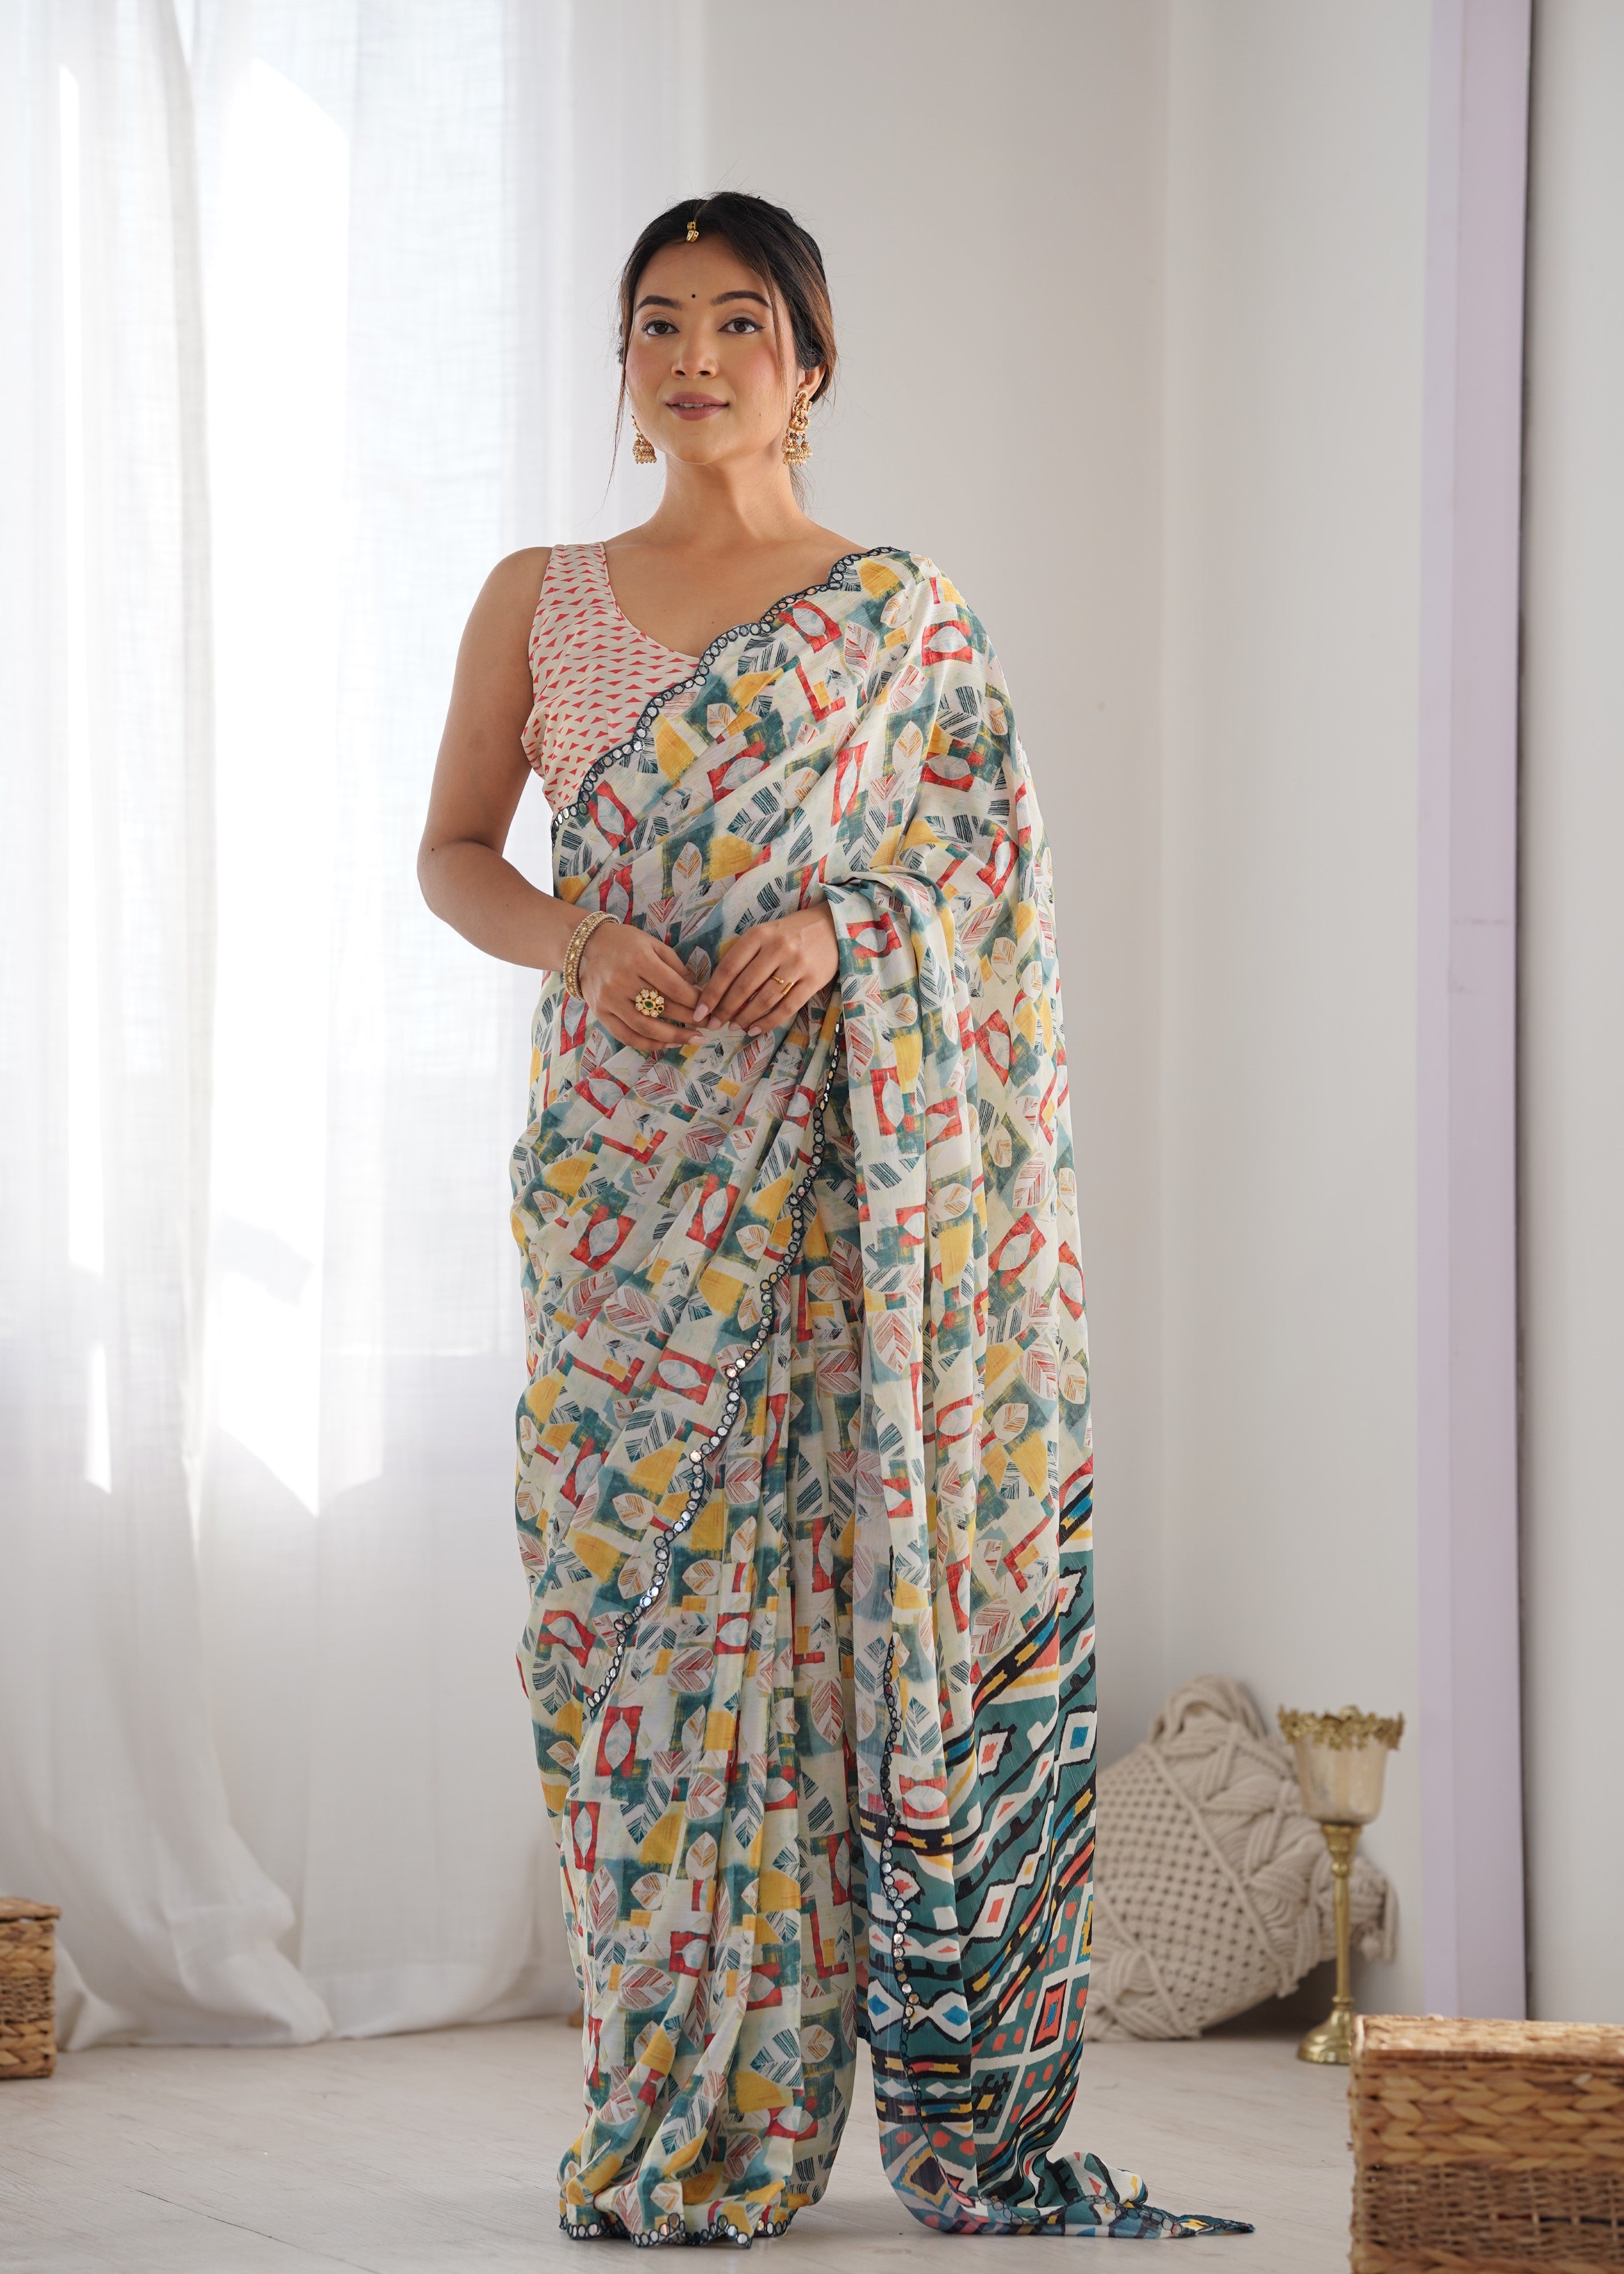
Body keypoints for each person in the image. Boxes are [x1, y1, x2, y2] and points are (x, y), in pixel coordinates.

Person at [418, 193, 1248, 2248]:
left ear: (811, 364)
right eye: (658, 323)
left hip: (849, 1206)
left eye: (739, 321)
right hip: (625, 1191)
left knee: (828, 1620)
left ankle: (881, 2103)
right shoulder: (542, 598)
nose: (695, 358)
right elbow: (454, 854)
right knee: (632, 1633)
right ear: (624, 364)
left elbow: (985, 894)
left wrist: (846, 927)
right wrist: (580, 936)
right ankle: (680, 2101)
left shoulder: (901, 619)